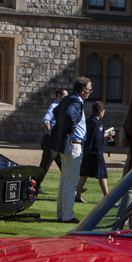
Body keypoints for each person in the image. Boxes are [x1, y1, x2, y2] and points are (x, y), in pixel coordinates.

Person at [50, 77, 89, 223]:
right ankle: (67, 215)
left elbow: (56, 111)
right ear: (83, 90)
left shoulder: (68, 99)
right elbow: (68, 114)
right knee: (71, 182)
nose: (90, 93)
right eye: (89, 90)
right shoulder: (76, 100)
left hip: (69, 144)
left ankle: (62, 214)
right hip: (74, 144)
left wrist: (63, 129)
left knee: (65, 180)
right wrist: (71, 129)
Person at [77, 101, 115, 202]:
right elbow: (97, 137)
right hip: (96, 151)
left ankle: (77, 195)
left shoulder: (89, 121)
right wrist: (107, 134)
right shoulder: (97, 123)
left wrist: (106, 134)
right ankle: (107, 198)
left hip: (88, 151)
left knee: (84, 173)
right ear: (101, 111)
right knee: (102, 174)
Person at [37, 89, 67, 194]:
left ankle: (75, 187)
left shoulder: (61, 108)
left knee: (64, 165)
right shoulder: (54, 107)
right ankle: (34, 187)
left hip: (57, 141)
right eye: (65, 96)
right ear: (59, 96)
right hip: (51, 141)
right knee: (44, 165)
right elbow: (45, 121)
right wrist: (50, 133)